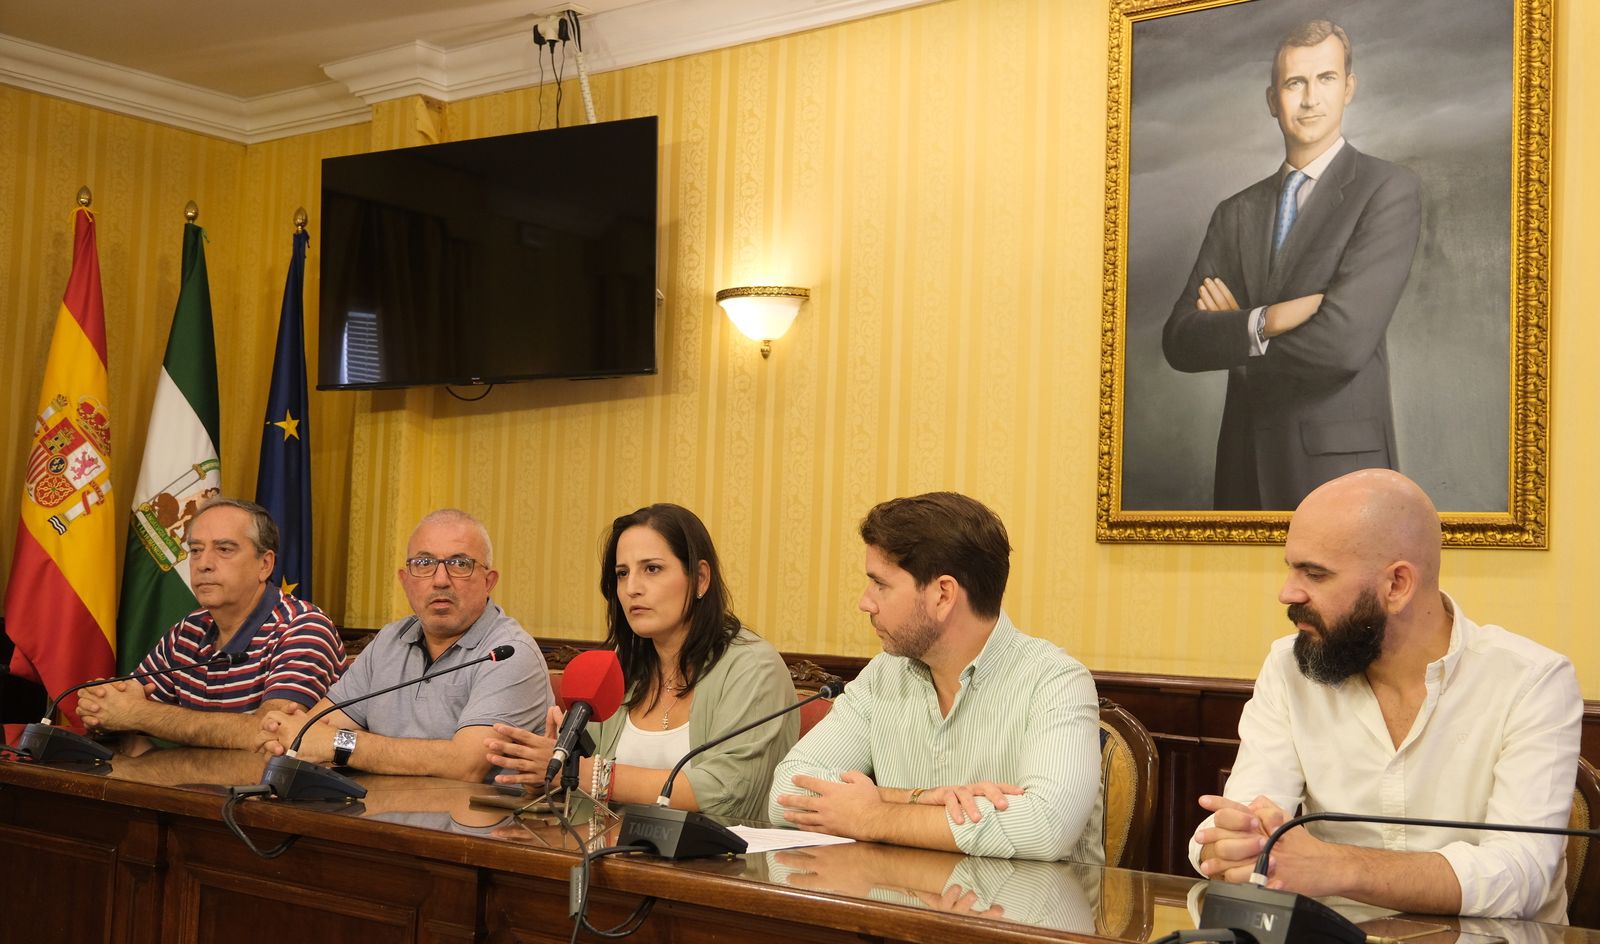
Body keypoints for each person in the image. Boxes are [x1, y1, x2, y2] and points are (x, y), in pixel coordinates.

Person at [1191, 469, 1582, 921]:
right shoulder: (1288, 667)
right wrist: (1232, 842)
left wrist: (1337, 866)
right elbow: (1243, 821)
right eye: (1291, 569)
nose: (1287, 593)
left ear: (1397, 585)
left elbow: (1521, 875)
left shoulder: (1531, 680)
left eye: (1314, 574)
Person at [1162, 18, 1422, 510]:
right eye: (1294, 82)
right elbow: (1180, 340)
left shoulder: (1387, 189)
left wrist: (1236, 338)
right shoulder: (1234, 212)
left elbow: (1342, 343)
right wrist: (1268, 320)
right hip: (1244, 467)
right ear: (1271, 99)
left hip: (1339, 473)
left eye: (1325, 79)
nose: (1310, 98)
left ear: (1349, 88)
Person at [767, 492, 1102, 862]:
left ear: (943, 594)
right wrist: (913, 798)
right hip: (900, 908)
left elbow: (1045, 828)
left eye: (881, 584)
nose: (866, 602)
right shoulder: (884, 673)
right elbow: (785, 794)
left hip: (1022, 915)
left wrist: (873, 815)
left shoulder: (1055, 681)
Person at [485, 504, 797, 822]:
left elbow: (725, 794)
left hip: (720, 868)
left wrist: (582, 772)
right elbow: (583, 797)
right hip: (609, 856)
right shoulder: (618, 667)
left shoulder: (754, 668)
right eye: (622, 573)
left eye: (652, 569)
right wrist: (549, 776)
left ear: (701, 579)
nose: (632, 588)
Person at [256, 509, 550, 781]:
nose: (440, 580)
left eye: (460, 564)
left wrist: (337, 744)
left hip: (480, 830)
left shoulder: (509, 653)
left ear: (489, 581)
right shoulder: (390, 641)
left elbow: (466, 764)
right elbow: (314, 728)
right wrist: (288, 733)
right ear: (405, 580)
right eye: (424, 564)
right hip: (380, 817)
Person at [75, 497, 344, 750]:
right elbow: (125, 704)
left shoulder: (303, 628)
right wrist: (101, 706)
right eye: (195, 550)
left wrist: (137, 713)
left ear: (265, 564)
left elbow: (273, 733)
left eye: (224, 549)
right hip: (193, 789)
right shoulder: (188, 631)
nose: (203, 564)